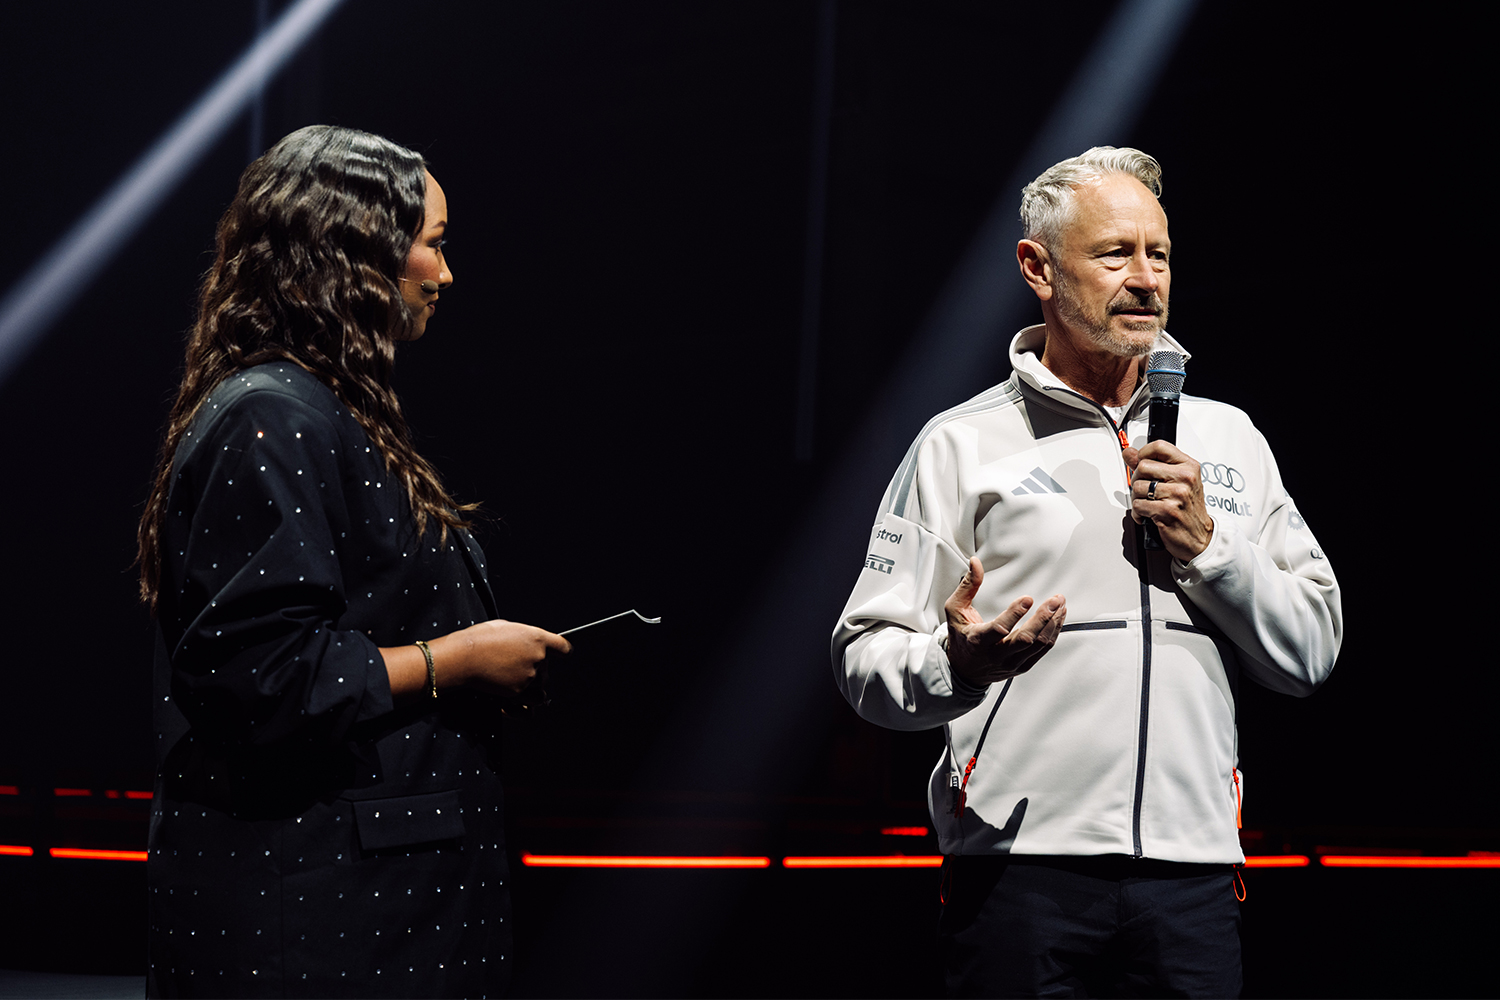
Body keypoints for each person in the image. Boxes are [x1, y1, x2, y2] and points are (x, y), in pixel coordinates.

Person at [831, 146, 1342, 997]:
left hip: (1193, 874)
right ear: (1039, 268)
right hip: (1017, 873)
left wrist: (1211, 550)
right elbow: (863, 659)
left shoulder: (1230, 439)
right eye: (1115, 254)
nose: (1146, 279)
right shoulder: (961, 443)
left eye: (1159, 254)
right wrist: (960, 665)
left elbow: (1312, 651)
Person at [137, 125, 570, 998]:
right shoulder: (270, 415)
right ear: (354, 253)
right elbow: (259, 676)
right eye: (433, 245)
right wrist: (459, 660)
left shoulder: (322, 409)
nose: (445, 274)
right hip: (318, 930)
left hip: (370, 916)